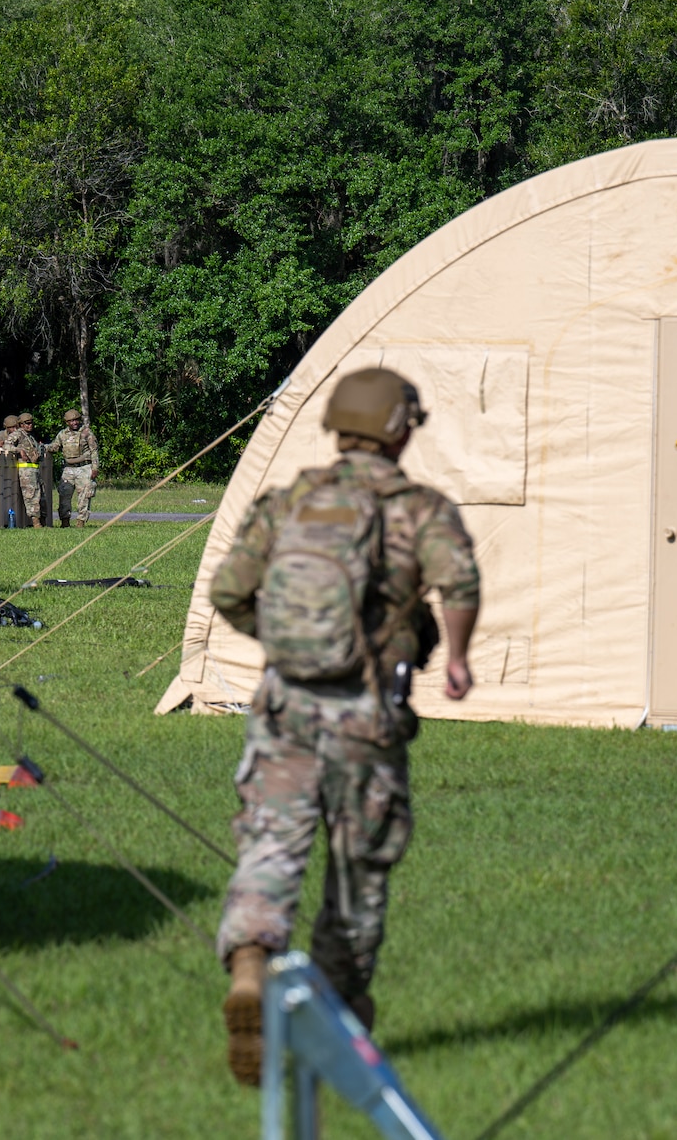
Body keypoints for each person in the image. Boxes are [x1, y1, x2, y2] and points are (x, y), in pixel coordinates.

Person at [210, 368, 480, 1086]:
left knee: (272, 842)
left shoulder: (289, 499)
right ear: (400, 427)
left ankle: (249, 963)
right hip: (367, 714)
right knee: (359, 866)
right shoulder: (420, 509)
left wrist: (283, 643)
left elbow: (229, 589)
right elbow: (460, 583)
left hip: (285, 706)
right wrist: (454, 657)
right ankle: (336, 1013)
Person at [47, 409, 99, 527]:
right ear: (67, 422)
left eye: (76, 420)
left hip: (84, 467)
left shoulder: (87, 433)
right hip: (68, 469)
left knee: (85, 496)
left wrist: (95, 468)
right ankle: (65, 522)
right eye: (71, 421)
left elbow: (94, 451)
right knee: (64, 494)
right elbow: (55, 447)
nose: (74, 423)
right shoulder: (62, 434)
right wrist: (43, 447)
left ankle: (80, 522)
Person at [9, 414, 46, 527]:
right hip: (26, 470)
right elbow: (6, 445)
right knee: (31, 496)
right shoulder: (18, 434)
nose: (30, 425)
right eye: (27, 423)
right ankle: (36, 522)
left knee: (40, 495)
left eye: (31, 423)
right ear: (21, 424)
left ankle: (42, 521)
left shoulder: (30, 436)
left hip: (34, 469)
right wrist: (19, 450)